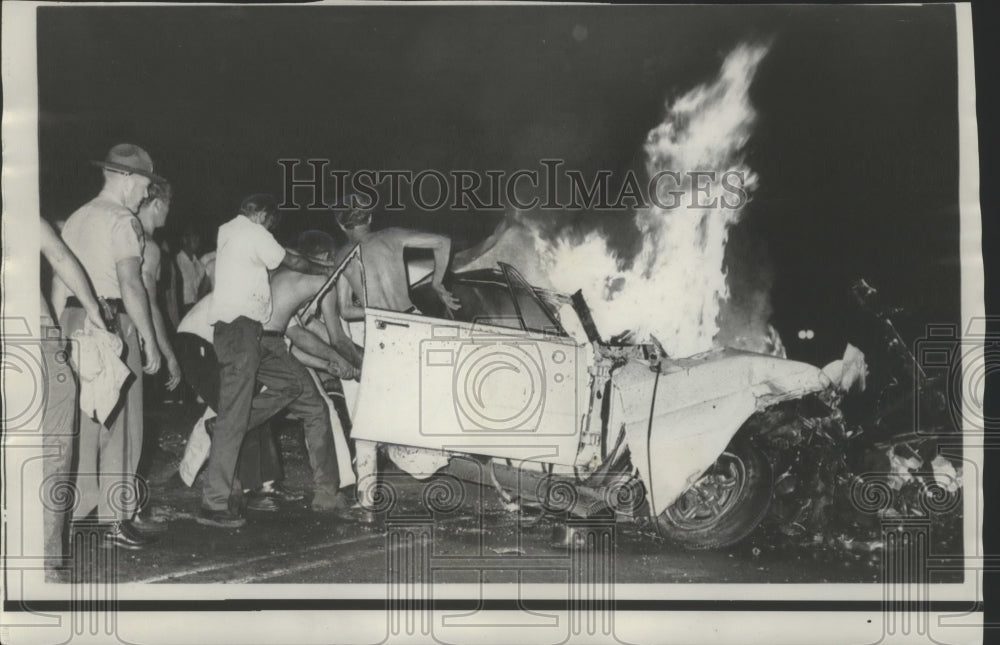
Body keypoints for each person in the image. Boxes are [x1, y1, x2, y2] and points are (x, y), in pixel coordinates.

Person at [51, 143, 164, 549]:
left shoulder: (78, 217)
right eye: (145, 186)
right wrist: (149, 340)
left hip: (72, 320)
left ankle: (79, 514)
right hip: (113, 323)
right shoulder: (123, 220)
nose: (146, 195)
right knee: (123, 423)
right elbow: (132, 285)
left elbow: (59, 280)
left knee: (84, 422)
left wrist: (58, 331)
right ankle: (115, 518)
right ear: (128, 179)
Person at [200, 194, 335, 528]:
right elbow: (295, 262)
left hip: (250, 333)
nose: (272, 229)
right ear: (261, 214)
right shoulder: (252, 231)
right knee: (234, 415)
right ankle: (213, 503)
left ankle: (225, 433)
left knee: (288, 384)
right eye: (272, 223)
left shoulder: (229, 230)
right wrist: (328, 269)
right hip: (241, 332)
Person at [331, 199, 460, 519]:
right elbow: (444, 242)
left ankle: (367, 497)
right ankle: (430, 457)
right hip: (413, 323)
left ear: (340, 225)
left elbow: (346, 311)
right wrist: (437, 283)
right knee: (422, 401)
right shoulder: (392, 235)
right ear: (371, 218)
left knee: (368, 416)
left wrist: (374, 308)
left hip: (382, 332)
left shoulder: (341, 255)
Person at [39, 219, 107, 579]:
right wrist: (94, 309)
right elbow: (60, 257)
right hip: (30, 335)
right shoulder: (18, 212)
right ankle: (46, 564)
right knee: (53, 451)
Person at [175, 227, 208, 314]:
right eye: (194, 237)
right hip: (183, 311)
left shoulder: (200, 265)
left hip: (196, 310)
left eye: (198, 237)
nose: (197, 240)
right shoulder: (177, 262)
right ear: (185, 240)